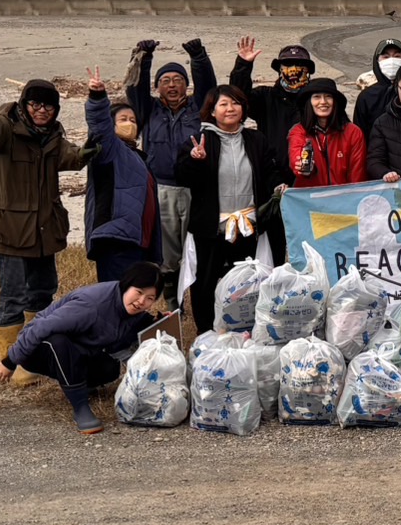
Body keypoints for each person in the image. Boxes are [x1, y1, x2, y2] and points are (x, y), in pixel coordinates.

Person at [0, 78, 92, 389]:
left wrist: (86, 152)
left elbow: (69, 157)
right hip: (10, 229)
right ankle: (10, 363)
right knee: (12, 295)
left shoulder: (53, 134)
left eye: (49, 106)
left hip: (44, 229)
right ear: (25, 105)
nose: (42, 111)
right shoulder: (5, 126)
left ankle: (33, 358)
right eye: (35, 104)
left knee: (43, 292)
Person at [0, 260, 163, 435]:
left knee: (110, 369)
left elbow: (124, 330)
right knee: (59, 342)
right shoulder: (91, 305)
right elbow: (41, 328)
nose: (141, 301)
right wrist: (10, 361)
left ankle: (80, 383)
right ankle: (80, 406)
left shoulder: (130, 308)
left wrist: (155, 322)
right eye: (139, 292)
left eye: (150, 298)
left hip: (78, 350)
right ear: (126, 285)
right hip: (40, 348)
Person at [174, 85, 287, 327]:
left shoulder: (255, 139)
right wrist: (196, 160)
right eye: (223, 104)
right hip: (212, 228)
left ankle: (247, 330)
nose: (230, 108)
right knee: (205, 284)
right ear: (212, 111)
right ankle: (206, 333)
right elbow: (183, 177)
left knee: (248, 283)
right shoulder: (200, 141)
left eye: (235, 103)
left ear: (243, 108)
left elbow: (269, 171)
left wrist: (278, 185)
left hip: (248, 226)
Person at [126, 36, 215, 310]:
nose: (172, 84)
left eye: (178, 79)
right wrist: (145, 56)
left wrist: (198, 56)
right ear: (157, 87)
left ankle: (203, 299)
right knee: (166, 255)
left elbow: (209, 86)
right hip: (160, 189)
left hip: (196, 190)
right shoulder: (148, 109)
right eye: (165, 81)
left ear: (186, 85)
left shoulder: (199, 109)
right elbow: (135, 88)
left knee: (198, 249)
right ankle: (173, 303)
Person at [83, 66, 162, 284]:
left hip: (136, 240)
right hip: (115, 237)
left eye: (133, 120)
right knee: (117, 296)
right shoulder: (110, 149)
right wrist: (98, 97)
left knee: (133, 296)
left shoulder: (137, 156)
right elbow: (99, 127)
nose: (130, 124)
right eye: (123, 119)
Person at [230, 37, 314, 171]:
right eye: (288, 65)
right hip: (272, 174)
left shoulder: (318, 99)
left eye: (298, 64)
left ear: (308, 70)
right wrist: (243, 65)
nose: (293, 69)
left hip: (311, 173)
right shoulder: (265, 96)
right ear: (279, 69)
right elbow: (238, 97)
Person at [288, 77, 367, 186]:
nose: (323, 102)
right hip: (310, 199)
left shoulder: (353, 132)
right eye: (317, 97)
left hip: (344, 198)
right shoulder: (299, 131)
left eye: (328, 97)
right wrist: (303, 167)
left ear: (335, 101)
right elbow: (296, 154)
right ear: (309, 102)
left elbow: (357, 175)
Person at [352, 38, 401, 135]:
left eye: (397, 56)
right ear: (377, 61)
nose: (392, 61)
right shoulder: (366, 97)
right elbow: (359, 134)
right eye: (386, 57)